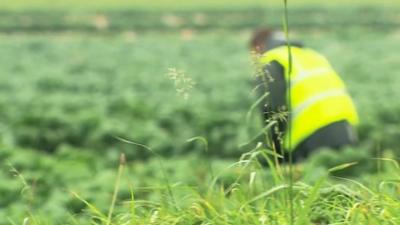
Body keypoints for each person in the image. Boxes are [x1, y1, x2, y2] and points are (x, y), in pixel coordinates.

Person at [250, 28, 359, 162]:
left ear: (258, 46)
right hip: (345, 128)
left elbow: (273, 108)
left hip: (312, 136)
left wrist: (276, 150)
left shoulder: (271, 60)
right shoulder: (312, 55)